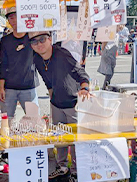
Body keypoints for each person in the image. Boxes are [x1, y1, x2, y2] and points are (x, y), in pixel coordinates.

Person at [29, 31, 90, 182]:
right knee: (59, 137)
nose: (39, 44)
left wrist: (85, 88)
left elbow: (80, 72)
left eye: (42, 39)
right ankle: (62, 167)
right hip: (56, 103)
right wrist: (52, 98)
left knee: (76, 139)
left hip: (73, 103)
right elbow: (46, 80)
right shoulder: (36, 59)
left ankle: (76, 172)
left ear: (49, 39)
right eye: (34, 42)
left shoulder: (62, 54)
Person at [0, 7, 39, 120]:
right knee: (6, 121)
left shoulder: (32, 37)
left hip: (29, 87)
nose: (14, 20)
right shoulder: (5, 40)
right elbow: (3, 64)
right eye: (11, 17)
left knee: (34, 120)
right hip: (9, 88)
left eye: (17, 16)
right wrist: (1, 87)